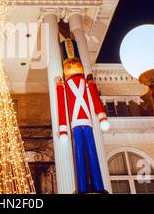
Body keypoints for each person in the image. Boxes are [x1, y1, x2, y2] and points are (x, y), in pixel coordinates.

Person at [56, 39, 109, 193]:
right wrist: (63, 130)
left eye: (75, 62)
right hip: (75, 124)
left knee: (92, 152)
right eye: (69, 63)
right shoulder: (63, 86)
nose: (72, 65)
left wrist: (101, 116)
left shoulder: (87, 83)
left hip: (87, 122)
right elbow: (61, 107)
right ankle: (82, 187)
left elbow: (95, 99)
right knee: (78, 152)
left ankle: (99, 186)